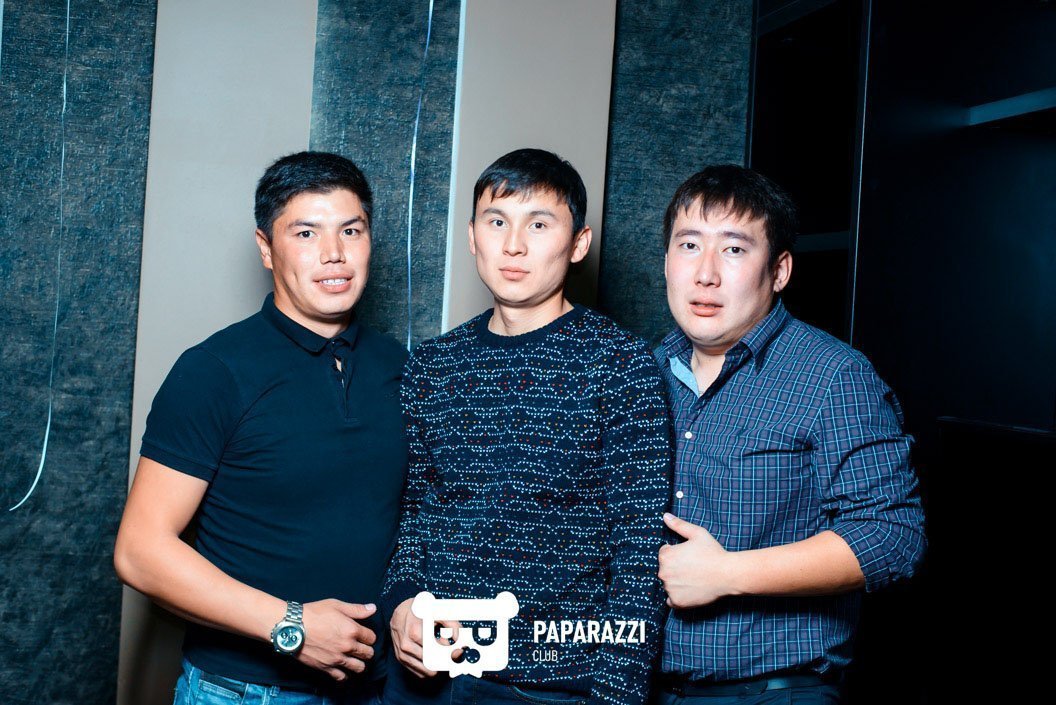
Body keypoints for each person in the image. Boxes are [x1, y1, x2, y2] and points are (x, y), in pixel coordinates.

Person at [114, 152, 408, 704]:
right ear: (266, 248)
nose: (334, 253)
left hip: (374, 688)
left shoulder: (400, 366)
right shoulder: (214, 371)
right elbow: (140, 550)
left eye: (351, 230)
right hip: (245, 691)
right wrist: (290, 624)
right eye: (306, 233)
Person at [382, 148, 671, 705]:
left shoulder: (620, 365)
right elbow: (415, 512)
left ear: (578, 244)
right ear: (472, 237)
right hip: (427, 679)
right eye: (497, 222)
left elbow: (639, 549)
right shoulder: (432, 365)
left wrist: (615, 695)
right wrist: (402, 602)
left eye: (538, 225)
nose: (513, 245)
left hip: (552, 686)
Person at [653, 165, 926, 704]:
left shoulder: (834, 375)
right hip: (645, 686)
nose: (705, 273)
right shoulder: (647, 369)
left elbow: (893, 536)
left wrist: (727, 573)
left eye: (734, 249)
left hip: (771, 692)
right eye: (689, 245)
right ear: (666, 260)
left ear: (778, 270)